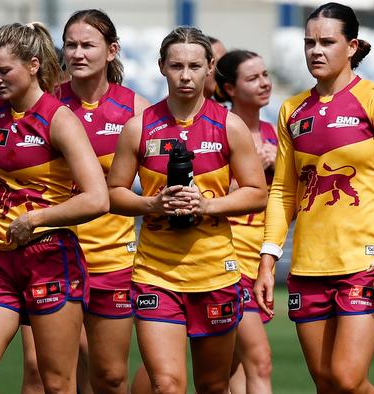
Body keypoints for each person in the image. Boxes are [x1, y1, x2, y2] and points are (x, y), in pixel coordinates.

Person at [254, 3, 374, 392]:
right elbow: (282, 191)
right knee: (328, 384)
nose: (316, 50)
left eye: (327, 42)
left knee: (347, 379)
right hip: (308, 265)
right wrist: (267, 259)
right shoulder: (292, 109)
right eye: (309, 42)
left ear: (352, 46)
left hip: (366, 263)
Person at [107, 26, 267, 393]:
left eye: (194, 66)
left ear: (210, 67)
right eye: (176, 65)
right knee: (166, 384)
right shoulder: (138, 127)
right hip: (155, 273)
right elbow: (113, 193)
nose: (185, 75)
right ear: (162, 66)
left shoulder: (230, 126)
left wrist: (208, 204)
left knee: (212, 385)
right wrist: (153, 203)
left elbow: (258, 193)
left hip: (215, 273)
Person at [0, 22, 109, 393]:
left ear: (34, 65)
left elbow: (97, 198)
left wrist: (35, 219)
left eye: (4, 70)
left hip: (51, 257)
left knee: (55, 383)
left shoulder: (60, 120)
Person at [59, 9, 151, 393]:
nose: (77, 53)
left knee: (110, 376)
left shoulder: (138, 109)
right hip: (53, 254)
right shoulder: (47, 103)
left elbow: (156, 183)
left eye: (87, 45)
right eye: (70, 45)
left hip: (114, 258)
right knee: (48, 372)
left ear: (112, 51)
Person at [215, 49, 276, 393]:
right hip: (228, 259)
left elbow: (293, 201)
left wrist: (280, 165)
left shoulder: (275, 133)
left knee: (229, 368)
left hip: (260, 259)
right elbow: (205, 192)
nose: (264, 83)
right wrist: (249, 179)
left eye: (265, 74)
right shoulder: (219, 129)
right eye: (252, 78)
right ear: (230, 89)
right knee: (260, 360)